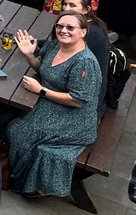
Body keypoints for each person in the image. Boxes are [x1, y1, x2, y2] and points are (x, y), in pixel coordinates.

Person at [8, 12, 102, 198]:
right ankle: (15, 173)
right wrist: (28, 55)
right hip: (52, 102)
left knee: (22, 132)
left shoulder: (84, 63)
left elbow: (78, 100)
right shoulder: (54, 45)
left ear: (83, 32)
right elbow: (44, 69)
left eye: (70, 28)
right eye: (60, 26)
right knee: (13, 123)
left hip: (75, 118)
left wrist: (41, 90)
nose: (63, 30)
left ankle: (20, 182)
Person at [61, 0, 110, 116]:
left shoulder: (90, 33)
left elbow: (63, 59)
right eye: (65, 4)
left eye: (72, 5)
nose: (66, 8)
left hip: (86, 101)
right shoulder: (88, 24)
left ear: (86, 9)